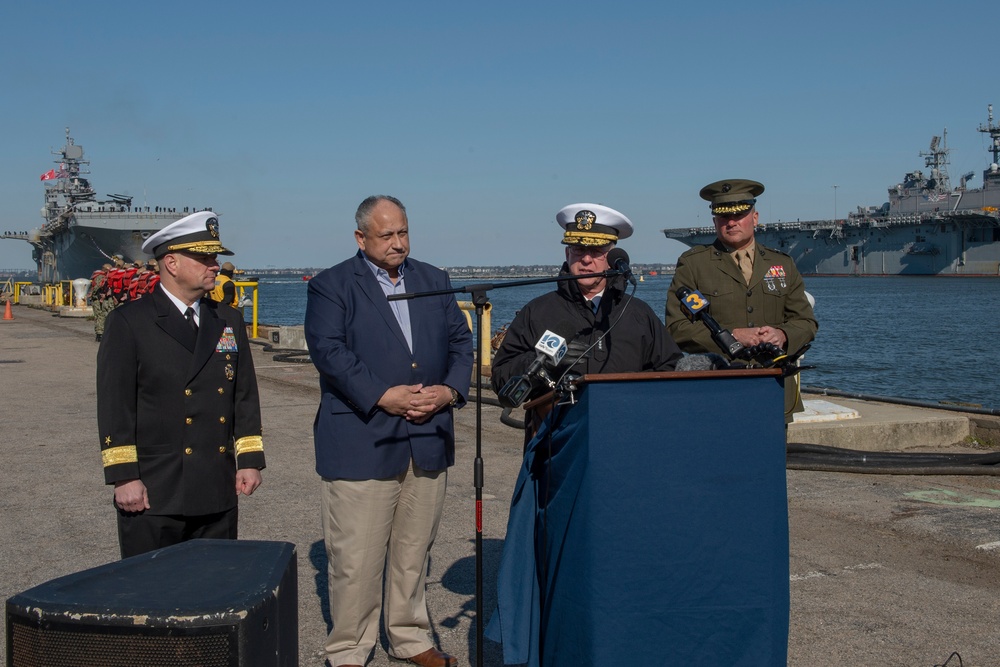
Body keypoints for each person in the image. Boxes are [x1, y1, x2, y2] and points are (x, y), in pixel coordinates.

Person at [304, 195, 473, 667]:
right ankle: (349, 649)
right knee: (355, 559)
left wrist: (449, 393)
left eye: (403, 232)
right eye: (386, 235)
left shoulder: (433, 280)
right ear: (361, 238)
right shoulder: (331, 285)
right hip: (364, 436)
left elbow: (461, 342)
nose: (398, 243)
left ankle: (410, 636)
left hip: (428, 435)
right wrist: (384, 395)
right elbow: (330, 352)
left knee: (413, 552)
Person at [96, 210, 265, 559]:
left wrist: (248, 459)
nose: (215, 265)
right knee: (152, 597)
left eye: (215, 257)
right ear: (171, 263)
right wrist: (124, 477)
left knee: (214, 594)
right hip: (156, 490)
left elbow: (244, 396)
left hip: (215, 485)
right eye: (204, 258)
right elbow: (116, 406)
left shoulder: (228, 319)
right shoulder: (130, 322)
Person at [490, 202, 683, 435]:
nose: (586, 260)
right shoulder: (537, 312)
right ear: (567, 253)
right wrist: (540, 363)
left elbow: (670, 370)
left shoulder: (638, 313)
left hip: (627, 434)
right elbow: (501, 381)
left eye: (596, 251)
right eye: (578, 250)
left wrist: (633, 393)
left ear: (612, 257)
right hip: (555, 442)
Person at [665, 179, 818, 420]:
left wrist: (783, 335)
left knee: (774, 457)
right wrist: (733, 336)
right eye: (724, 216)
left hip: (773, 385)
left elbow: (806, 322)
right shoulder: (694, 265)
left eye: (740, 214)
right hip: (718, 386)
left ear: (755, 218)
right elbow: (677, 328)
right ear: (715, 221)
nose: (732, 222)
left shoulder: (782, 264)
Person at [87, 262, 112, 341]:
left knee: (99, 316)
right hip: (97, 299)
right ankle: (99, 334)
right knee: (100, 316)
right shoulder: (101, 277)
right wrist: (93, 294)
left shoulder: (97, 275)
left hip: (96, 299)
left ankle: (99, 333)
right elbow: (98, 286)